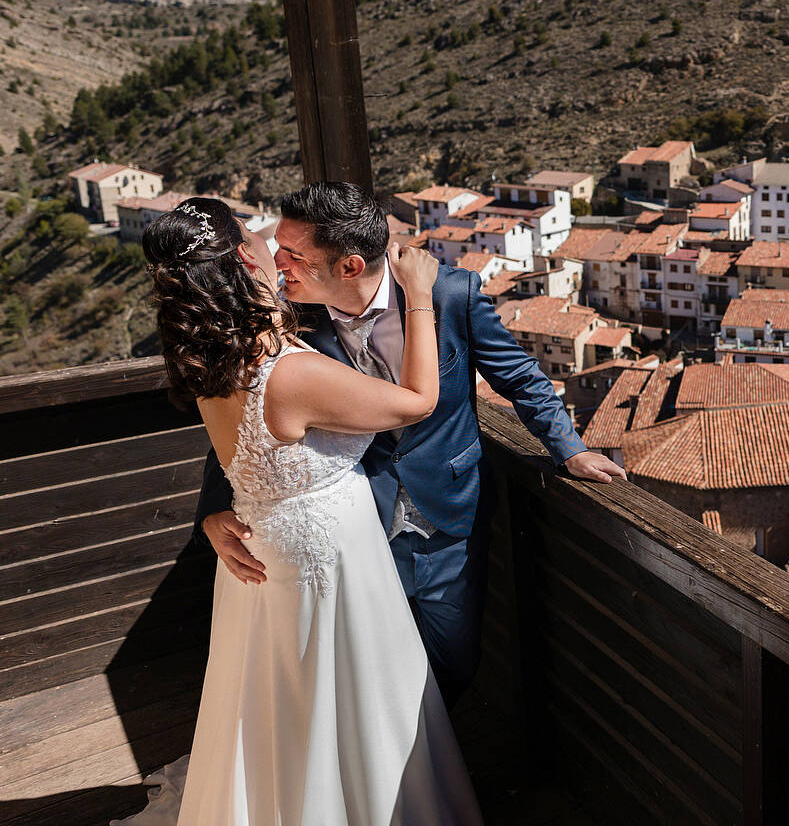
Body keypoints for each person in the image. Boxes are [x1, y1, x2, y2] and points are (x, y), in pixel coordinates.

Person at [196, 181, 626, 705]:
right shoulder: (292, 316)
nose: (276, 262)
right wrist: (215, 506)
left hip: (451, 522)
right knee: (371, 671)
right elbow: (247, 415)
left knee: (455, 663)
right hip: (355, 529)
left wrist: (570, 448)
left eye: (292, 252)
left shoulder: (450, 294)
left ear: (349, 266)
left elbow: (519, 376)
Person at [125, 197, 479, 824]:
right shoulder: (290, 372)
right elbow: (419, 400)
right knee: (347, 697)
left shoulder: (212, 358)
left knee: (279, 702)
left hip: (265, 549)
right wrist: (419, 294)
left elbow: (238, 454)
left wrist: (215, 512)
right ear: (242, 257)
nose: (273, 249)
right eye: (260, 238)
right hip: (327, 554)